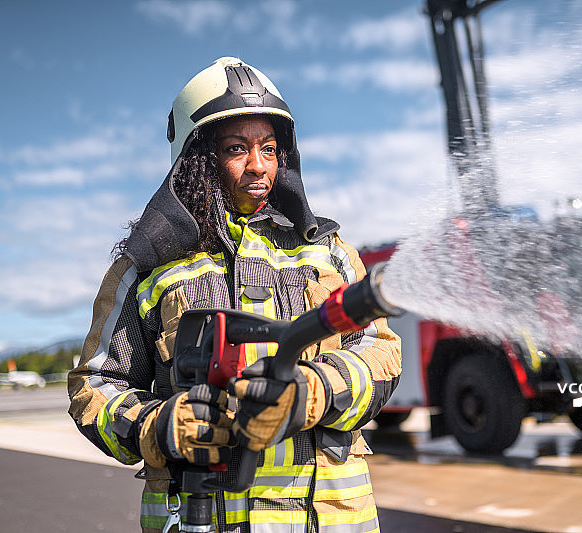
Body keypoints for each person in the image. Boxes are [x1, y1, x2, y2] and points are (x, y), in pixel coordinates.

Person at [68, 57, 402, 533]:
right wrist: (161, 427)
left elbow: (382, 354)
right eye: (235, 148)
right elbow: (94, 387)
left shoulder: (328, 253)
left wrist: (313, 391)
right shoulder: (142, 272)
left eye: (269, 148)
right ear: (198, 157)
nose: (258, 166)